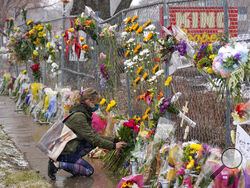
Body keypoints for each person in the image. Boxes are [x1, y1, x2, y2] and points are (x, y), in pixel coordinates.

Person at [48, 88, 127, 180]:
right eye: (96, 102)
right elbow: (93, 138)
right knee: (88, 171)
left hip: (69, 148)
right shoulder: (79, 117)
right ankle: (57, 164)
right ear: (89, 101)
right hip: (63, 152)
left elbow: (94, 137)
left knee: (91, 143)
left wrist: (115, 141)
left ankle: (72, 164)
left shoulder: (83, 113)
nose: (97, 105)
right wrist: (114, 146)